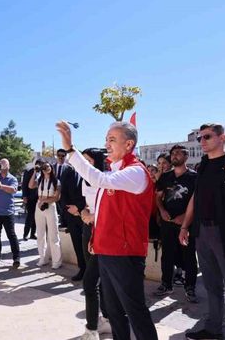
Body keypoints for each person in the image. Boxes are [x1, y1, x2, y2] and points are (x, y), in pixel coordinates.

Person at [56, 120, 158, 340]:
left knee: (135, 311)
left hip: (125, 253)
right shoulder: (115, 171)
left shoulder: (135, 172)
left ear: (129, 144)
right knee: (113, 311)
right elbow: (104, 212)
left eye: (112, 139)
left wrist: (71, 150)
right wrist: (96, 238)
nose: (107, 144)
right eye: (106, 139)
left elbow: (99, 179)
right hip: (107, 251)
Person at [179, 123, 225, 340]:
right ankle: (214, 329)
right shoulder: (202, 166)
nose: (202, 142)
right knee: (211, 284)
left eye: (207, 137)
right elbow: (196, 196)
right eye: (199, 138)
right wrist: (185, 225)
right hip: (202, 231)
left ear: (222, 138)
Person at [154, 145, 199, 303]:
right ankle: (166, 284)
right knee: (167, 255)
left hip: (187, 224)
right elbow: (158, 197)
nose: (174, 156)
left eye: (178, 153)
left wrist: (185, 218)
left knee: (188, 256)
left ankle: (190, 287)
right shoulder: (165, 177)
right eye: (173, 153)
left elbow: (197, 201)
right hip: (167, 223)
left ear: (186, 157)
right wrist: (162, 211)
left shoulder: (194, 177)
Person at [79, 148, 112, 340]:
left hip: (103, 234)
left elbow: (111, 209)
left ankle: (92, 329)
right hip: (88, 230)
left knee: (90, 283)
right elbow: (88, 204)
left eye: (87, 161)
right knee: (96, 281)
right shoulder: (85, 180)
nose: (84, 165)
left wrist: (94, 217)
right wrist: (84, 212)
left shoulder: (107, 179)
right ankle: (104, 320)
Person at [29, 161, 62, 269]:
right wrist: (35, 172)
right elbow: (30, 185)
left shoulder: (56, 181)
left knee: (53, 235)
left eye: (48, 166)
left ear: (51, 168)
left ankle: (57, 261)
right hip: (39, 207)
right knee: (40, 234)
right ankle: (43, 258)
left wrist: (45, 200)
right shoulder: (39, 179)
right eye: (44, 167)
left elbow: (57, 197)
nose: (46, 168)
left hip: (50, 207)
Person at [61, 154, 88, 281]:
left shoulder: (89, 172)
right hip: (72, 215)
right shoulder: (68, 173)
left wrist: (79, 208)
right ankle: (82, 269)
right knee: (77, 244)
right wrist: (70, 210)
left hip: (86, 214)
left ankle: (91, 271)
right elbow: (63, 193)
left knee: (88, 245)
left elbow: (90, 195)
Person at [21, 160, 39, 240]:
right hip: (30, 198)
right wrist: (24, 196)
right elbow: (24, 184)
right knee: (30, 216)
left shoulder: (43, 172)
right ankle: (25, 234)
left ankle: (33, 233)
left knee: (36, 216)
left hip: (39, 198)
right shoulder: (29, 171)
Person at [54, 148, 71, 229]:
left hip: (64, 193)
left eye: (62, 156)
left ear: (65, 156)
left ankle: (64, 223)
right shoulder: (51, 167)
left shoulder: (69, 168)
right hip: (53, 193)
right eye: (59, 155)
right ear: (56, 156)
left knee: (64, 209)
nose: (60, 157)